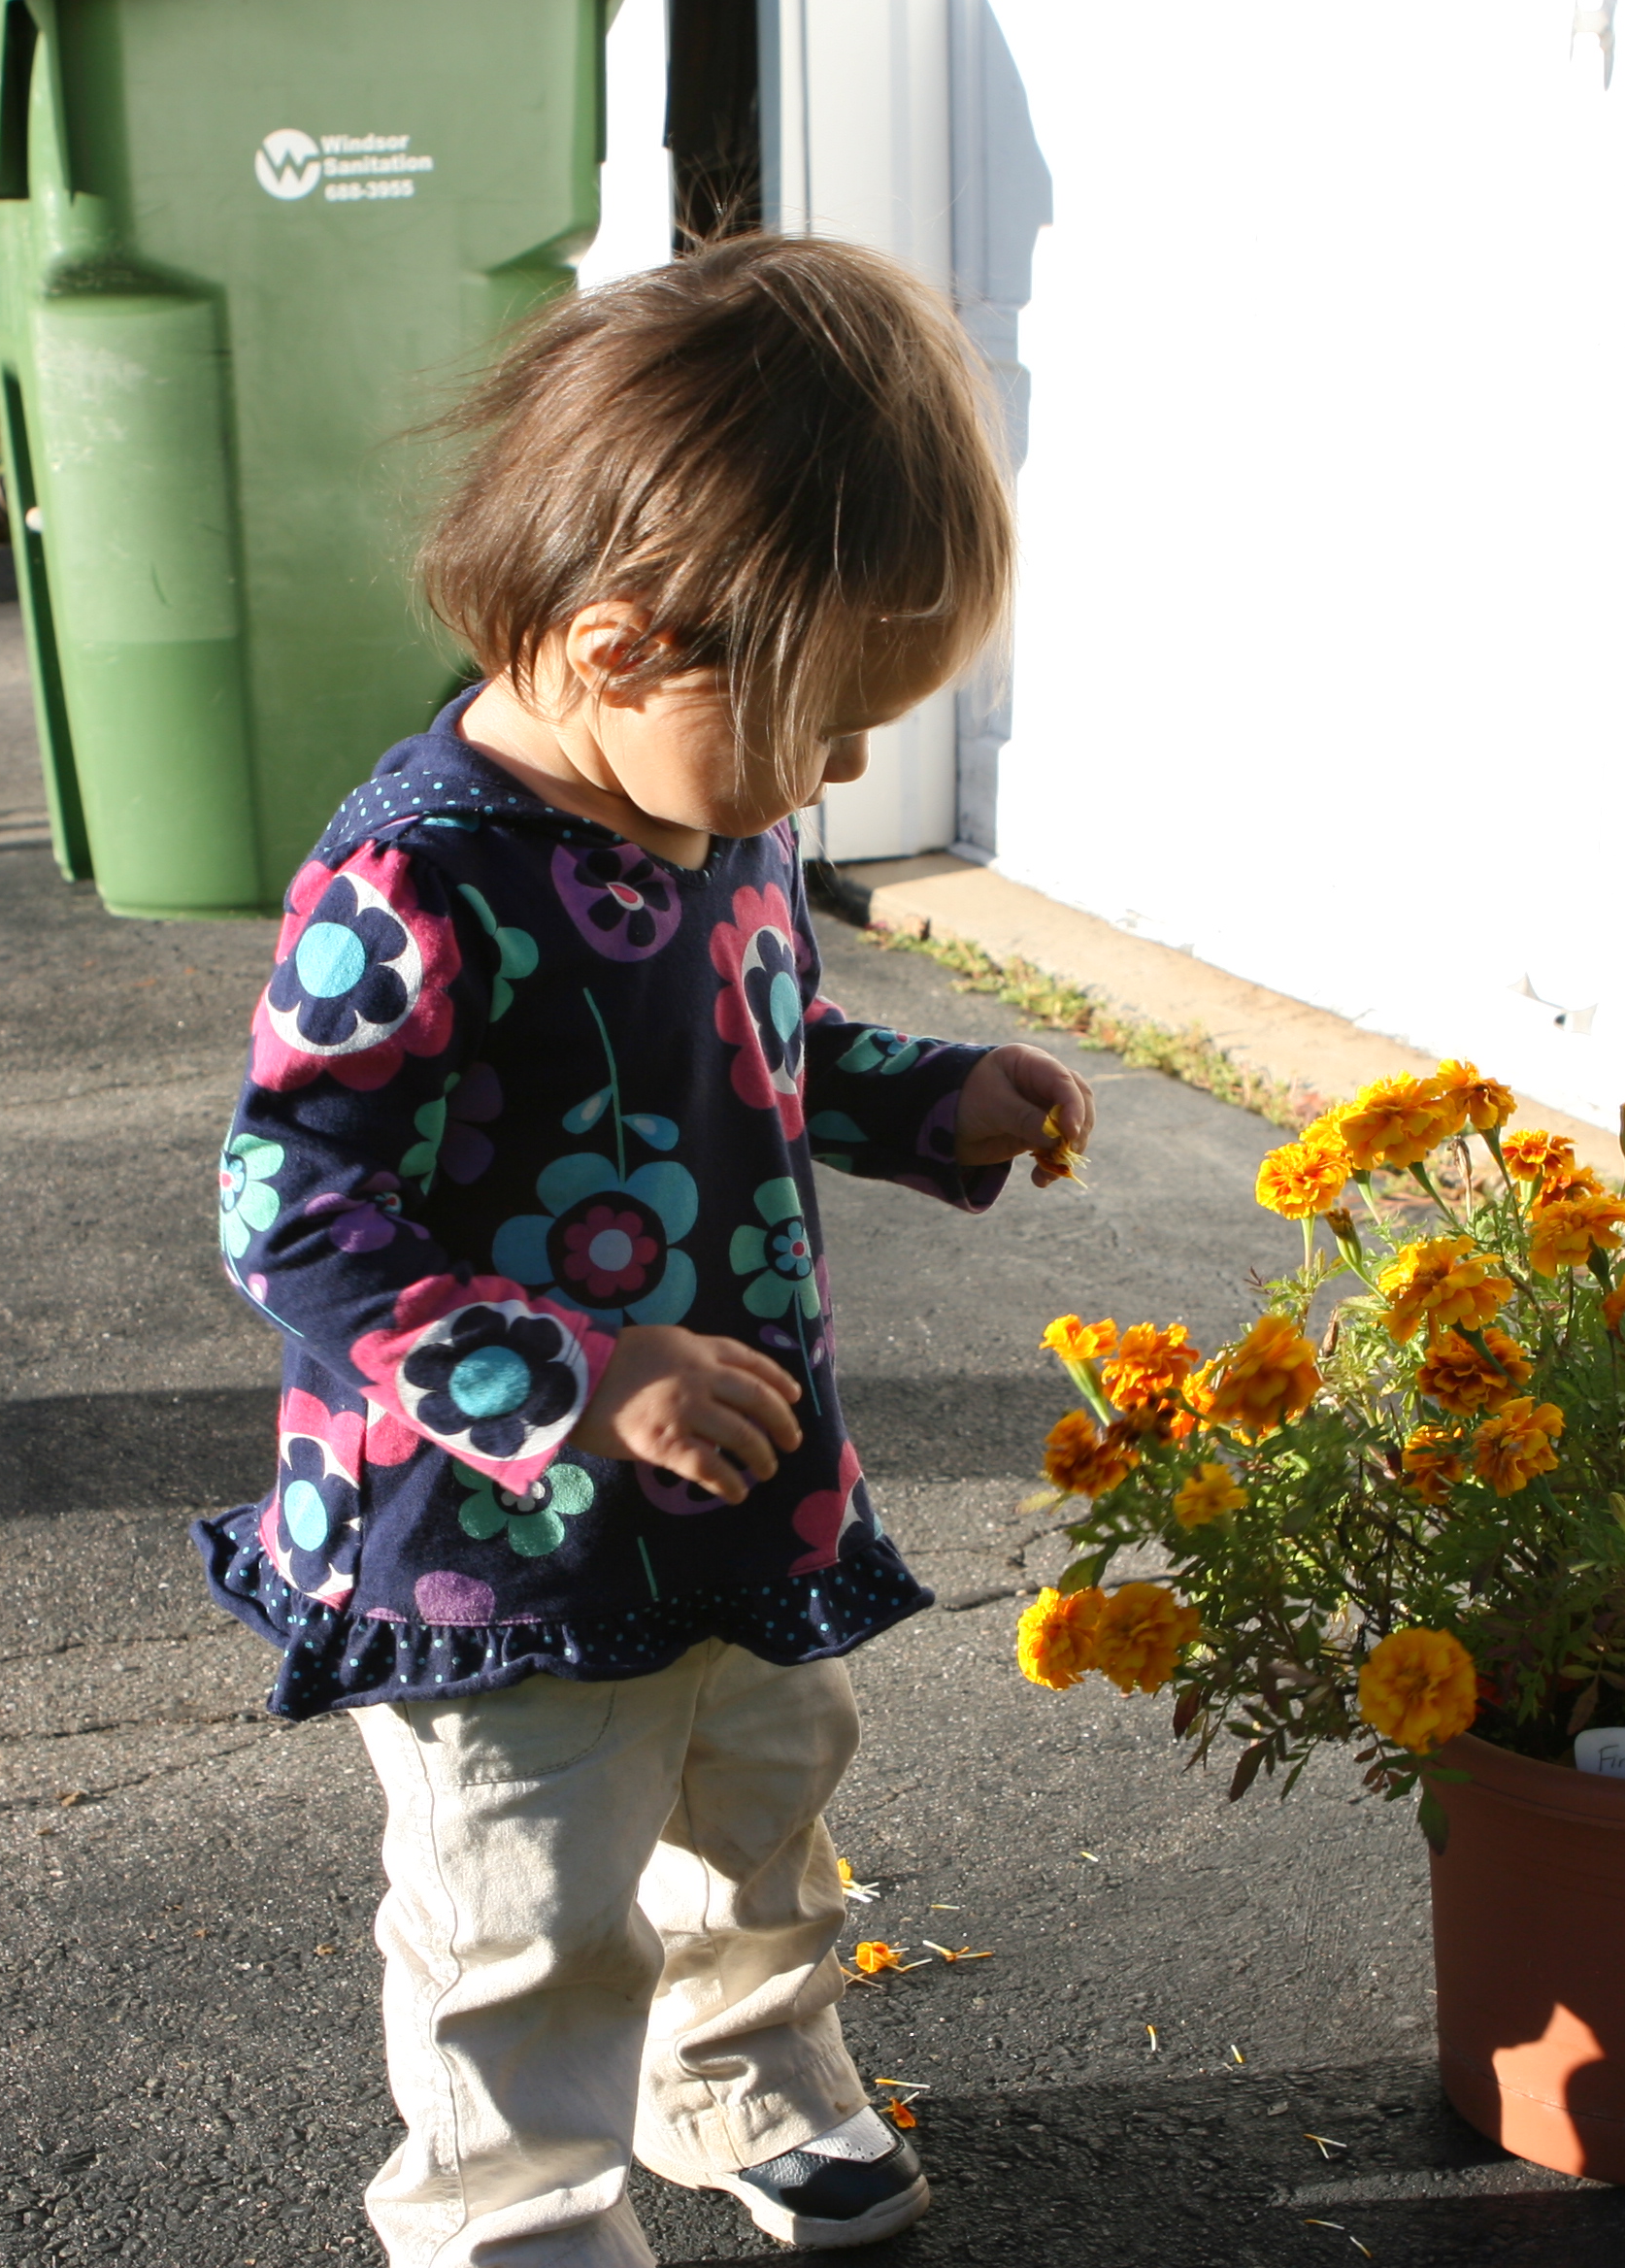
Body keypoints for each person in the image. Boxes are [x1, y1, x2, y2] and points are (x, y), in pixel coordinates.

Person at [195, 233, 1092, 2266]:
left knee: (761, 1812)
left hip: (732, 1489)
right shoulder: (418, 881)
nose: (837, 775)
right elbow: (288, 1201)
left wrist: (929, 1098)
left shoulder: (711, 806)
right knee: (525, 1900)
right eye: (823, 725)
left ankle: (738, 2073)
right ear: (617, 649)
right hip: (492, 1537)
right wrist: (583, 1378)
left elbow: (762, 1044)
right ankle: (509, 2210)